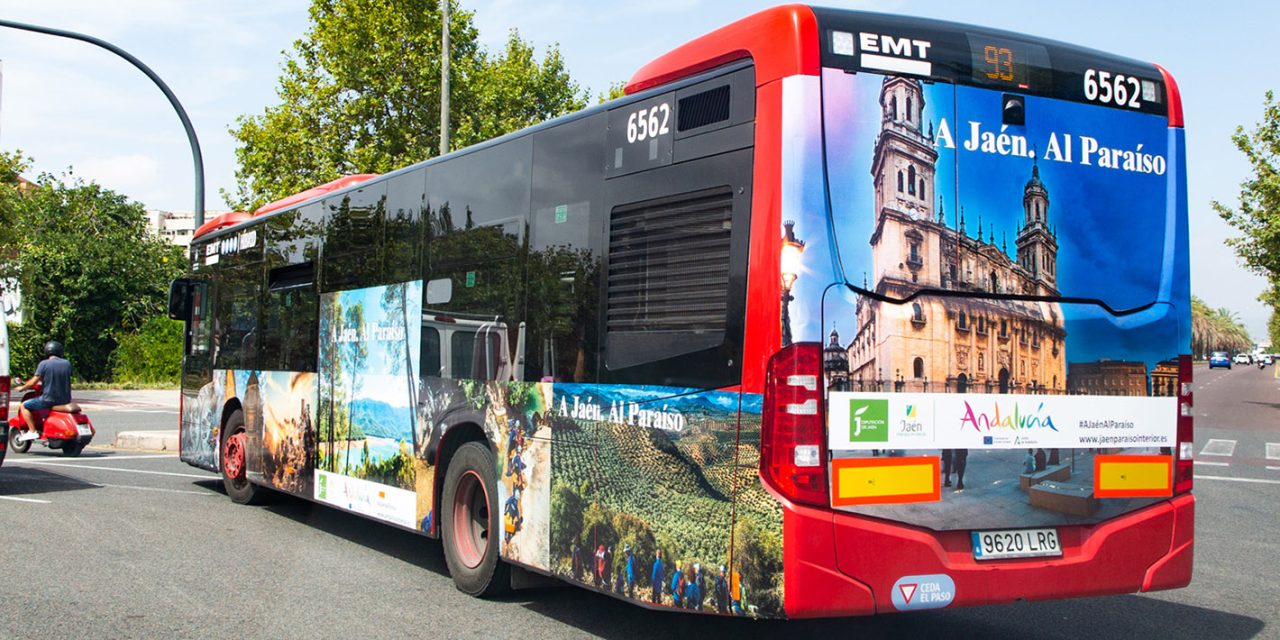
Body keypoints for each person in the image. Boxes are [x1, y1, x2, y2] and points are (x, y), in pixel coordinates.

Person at [14, 341, 73, 442]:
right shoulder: (67, 363)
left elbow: (33, 382)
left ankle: (32, 431)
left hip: (48, 399)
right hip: (65, 400)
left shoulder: (44, 364)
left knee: (24, 405)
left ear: (47, 351)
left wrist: (22, 388)